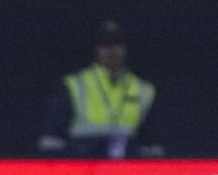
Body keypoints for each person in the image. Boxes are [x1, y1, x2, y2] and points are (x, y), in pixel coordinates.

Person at [38, 20, 163, 159]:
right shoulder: (73, 85)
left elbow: (153, 144)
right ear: (97, 49)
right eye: (105, 45)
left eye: (117, 44)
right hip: (84, 169)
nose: (112, 50)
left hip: (127, 171)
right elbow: (51, 140)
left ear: (125, 48)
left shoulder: (144, 90)